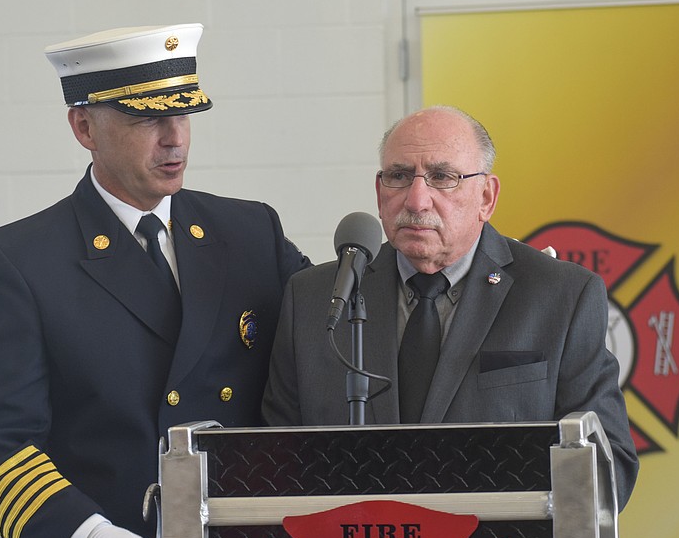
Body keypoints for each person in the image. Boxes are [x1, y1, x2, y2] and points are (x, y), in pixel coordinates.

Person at [0, 24, 309, 538]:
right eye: (148, 119)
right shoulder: (20, 262)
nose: (174, 139)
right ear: (84, 128)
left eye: (184, 115)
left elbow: (327, 355)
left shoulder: (251, 233)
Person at [262, 105, 638, 510]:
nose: (417, 199)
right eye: (399, 176)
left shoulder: (560, 295)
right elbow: (273, 464)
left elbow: (608, 469)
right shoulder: (315, 299)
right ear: (379, 193)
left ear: (486, 197)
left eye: (442, 177)